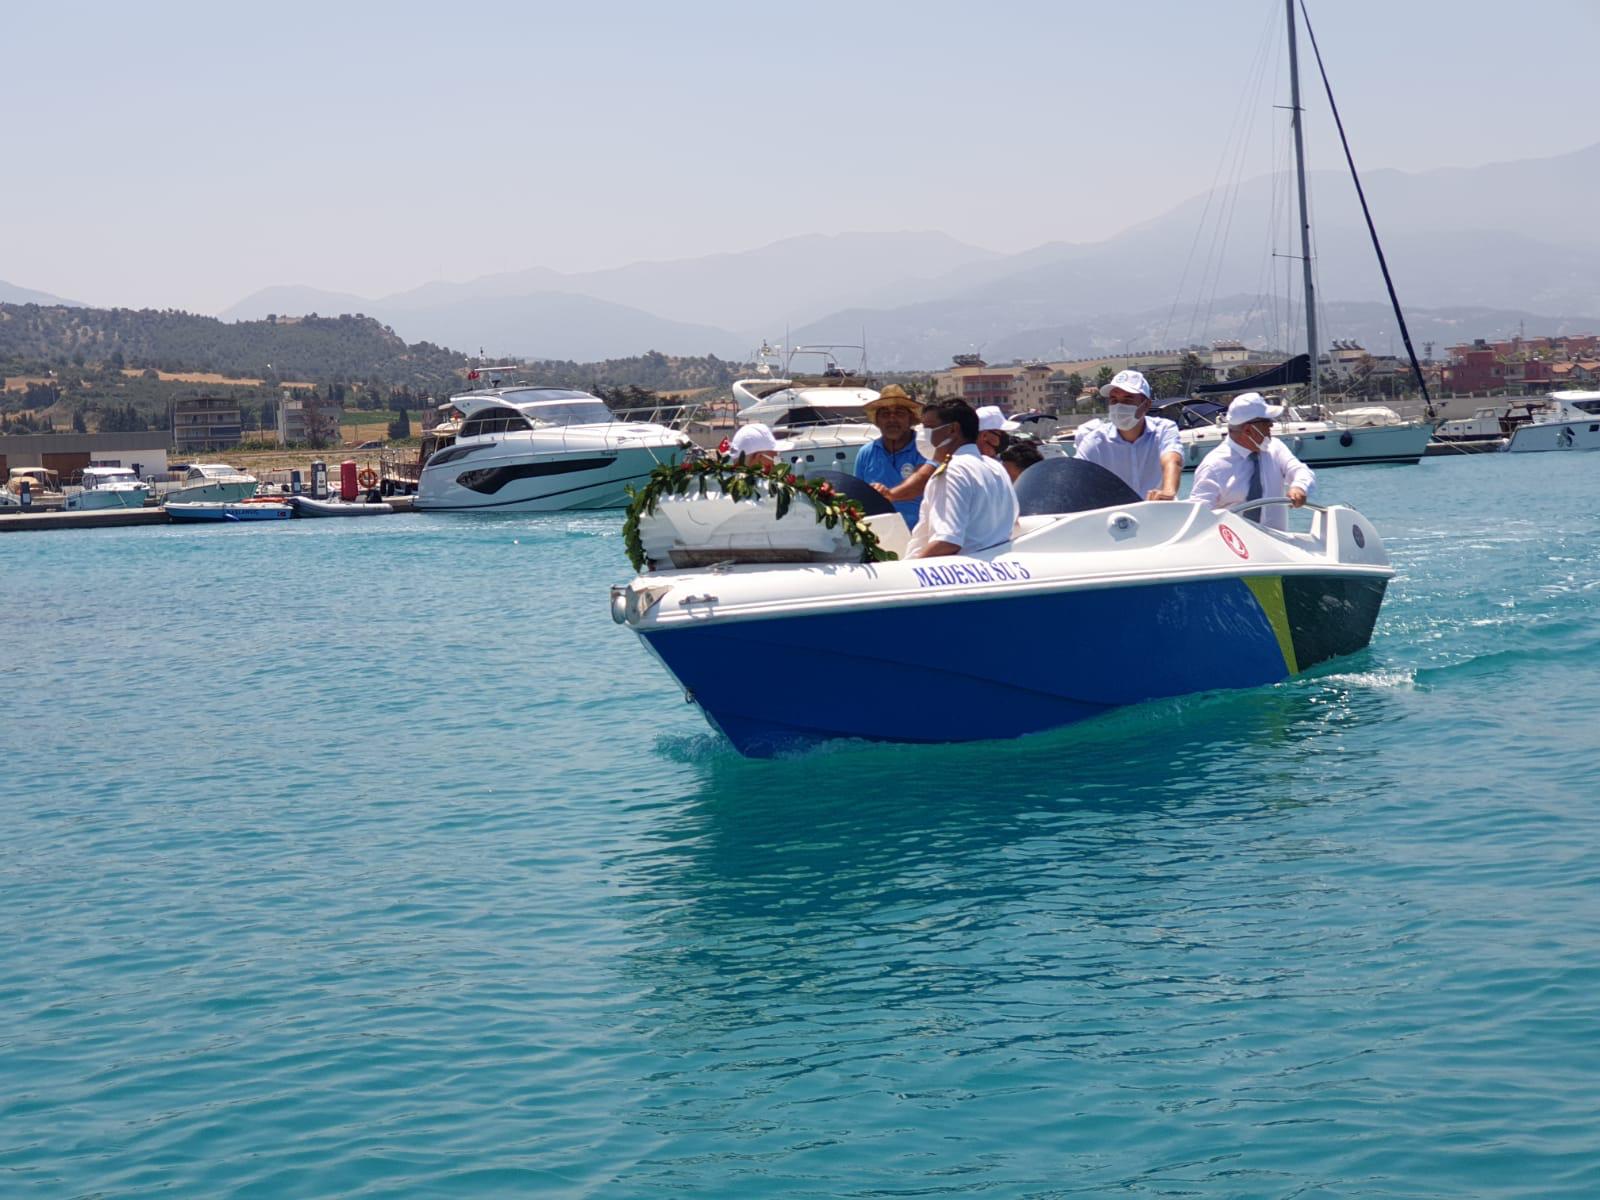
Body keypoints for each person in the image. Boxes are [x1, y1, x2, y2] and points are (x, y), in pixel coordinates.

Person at [905, 399, 1019, 559]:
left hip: (956, 568)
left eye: (929, 428)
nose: (923, 434)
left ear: (953, 429)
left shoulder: (952, 471)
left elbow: (947, 541)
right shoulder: (996, 467)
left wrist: (909, 566)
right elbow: (1014, 524)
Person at [1189, 393, 1314, 530]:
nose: (1271, 425)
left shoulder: (1275, 447)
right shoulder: (1213, 466)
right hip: (1234, 543)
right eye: (1266, 422)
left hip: (1277, 541)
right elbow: (1199, 517)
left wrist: (1299, 486)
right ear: (1248, 430)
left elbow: (1300, 470)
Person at [1072, 369, 1182, 500]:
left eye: (1127, 399)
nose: (1119, 406)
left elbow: (1172, 460)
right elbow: (1076, 476)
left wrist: (1168, 491)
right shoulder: (1094, 442)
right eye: (1114, 400)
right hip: (1115, 512)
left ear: (1146, 404)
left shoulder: (1164, 429)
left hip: (1158, 509)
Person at [853, 384, 927, 526]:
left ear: (910, 418)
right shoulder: (866, 453)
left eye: (899, 413)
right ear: (877, 420)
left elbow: (922, 482)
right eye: (885, 414)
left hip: (920, 534)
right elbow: (858, 498)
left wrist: (889, 494)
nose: (892, 419)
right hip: (879, 534)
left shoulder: (924, 449)